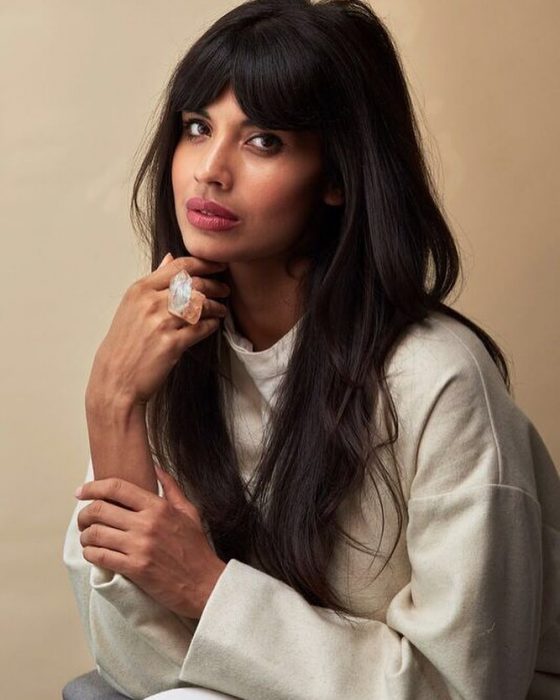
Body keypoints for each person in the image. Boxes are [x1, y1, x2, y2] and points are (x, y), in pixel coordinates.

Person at [62, 0, 560, 698]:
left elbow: (463, 687)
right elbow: (137, 670)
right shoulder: (159, 356)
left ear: (336, 176)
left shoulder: (438, 380)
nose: (209, 170)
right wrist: (111, 401)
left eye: (264, 140)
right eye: (197, 128)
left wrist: (208, 588)